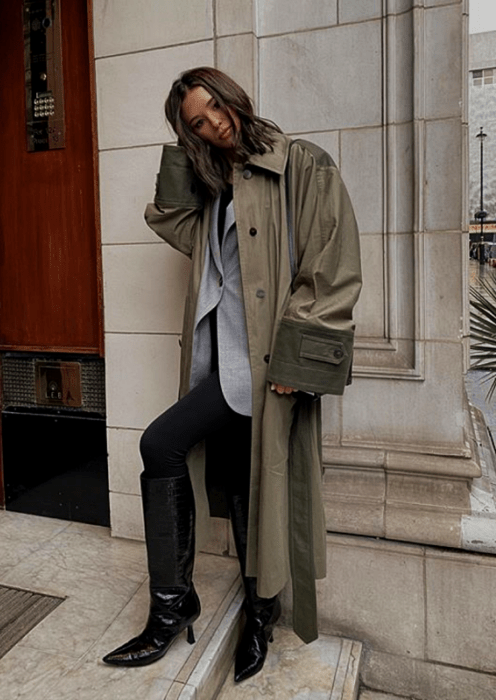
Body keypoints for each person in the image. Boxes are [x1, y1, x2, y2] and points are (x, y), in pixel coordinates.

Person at [103, 67, 362, 682]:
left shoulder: (302, 164)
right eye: (197, 122)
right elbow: (169, 218)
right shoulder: (217, 191)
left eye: (214, 107)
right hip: (223, 364)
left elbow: (332, 268)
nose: (214, 122)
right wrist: (183, 149)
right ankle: (207, 611)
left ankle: (217, 613)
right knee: (243, 485)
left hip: (270, 369)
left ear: (233, 98)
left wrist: (296, 362)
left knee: (170, 448)